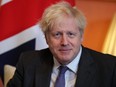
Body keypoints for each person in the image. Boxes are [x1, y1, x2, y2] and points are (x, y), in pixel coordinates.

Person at [7, 1, 116, 87]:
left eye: (71, 34)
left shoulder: (109, 67)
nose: (64, 42)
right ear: (46, 38)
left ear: (81, 36)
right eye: (57, 34)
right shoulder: (28, 62)